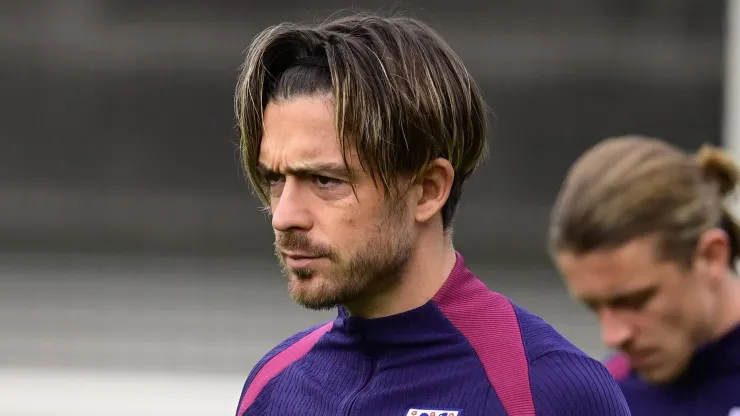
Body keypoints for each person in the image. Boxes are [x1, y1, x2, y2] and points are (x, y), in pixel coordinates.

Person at [233, 12, 630, 416]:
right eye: (276, 179)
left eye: (324, 180)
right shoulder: (273, 386)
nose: (284, 216)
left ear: (428, 190)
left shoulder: (548, 391)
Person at [549, 135, 740, 415]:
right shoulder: (605, 400)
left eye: (635, 301)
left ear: (711, 256)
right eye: (594, 307)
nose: (613, 336)